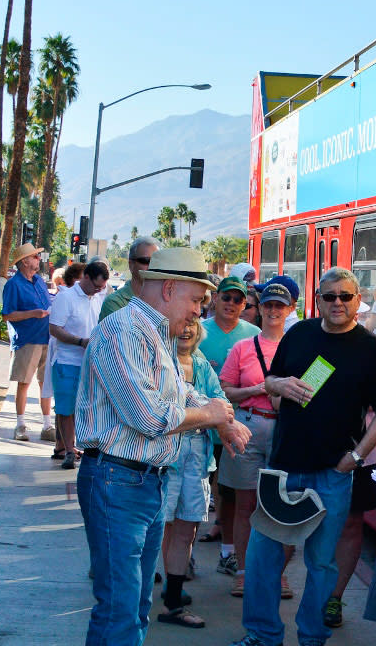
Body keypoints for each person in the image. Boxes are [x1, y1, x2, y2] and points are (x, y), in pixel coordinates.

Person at [75, 247, 247, 646]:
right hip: (117, 481)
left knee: (131, 606)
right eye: (196, 299)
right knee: (120, 607)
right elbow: (151, 417)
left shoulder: (154, 331)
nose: (199, 311)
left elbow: (180, 391)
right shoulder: (124, 331)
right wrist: (214, 416)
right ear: (168, 288)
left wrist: (218, 414)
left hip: (139, 482)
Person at [230, 268, 376, 646]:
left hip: (333, 474)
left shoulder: (372, 348)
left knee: (321, 563)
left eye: (345, 296)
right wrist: (278, 384)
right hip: (284, 467)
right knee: (263, 558)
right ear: (317, 300)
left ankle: (312, 638)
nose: (337, 302)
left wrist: (355, 457)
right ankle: (262, 635)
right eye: (329, 296)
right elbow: (271, 381)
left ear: (358, 300)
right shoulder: (299, 334)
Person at [218, 278, 296, 596]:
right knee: (245, 504)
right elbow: (224, 390)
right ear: (260, 309)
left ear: (291, 309)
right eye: (268, 305)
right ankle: (244, 570)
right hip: (249, 426)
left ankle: (277, 573)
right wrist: (256, 389)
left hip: (287, 430)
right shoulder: (243, 347)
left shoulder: (301, 344)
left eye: (280, 305)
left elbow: (313, 388)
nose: (274, 310)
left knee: (281, 505)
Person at [157, 319, 227, 629]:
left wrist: (218, 415)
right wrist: (207, 414)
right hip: (165, 457)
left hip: (198, 458)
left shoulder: (201, 364)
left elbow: (222, 402)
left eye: (192, 325)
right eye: (181, 324)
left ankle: (173, 597)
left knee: (187, 528)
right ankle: (148, 592)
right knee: (159, 526)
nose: (186, 330)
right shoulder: (158, 359)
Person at [200, 277, 263, 561]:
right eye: (227, 298)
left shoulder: (253, 334)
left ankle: (228, 552)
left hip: (239, 430)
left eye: (239, 300)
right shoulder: (198, 332)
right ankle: (185, 557)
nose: (232, 304)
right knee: (196, 494)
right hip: (201, 427)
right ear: (215, 298)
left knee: (231, 492)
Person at [47, 260, 112, 468]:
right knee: (66, 408)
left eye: (101, 288)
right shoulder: (66, 298)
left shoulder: (98, 297)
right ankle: (67, 450)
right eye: (95, 286)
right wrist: (80, 342)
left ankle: (79, 446)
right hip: (67, 361)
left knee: (85, 408)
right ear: (85, 277)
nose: (97, 291)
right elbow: (55, 329)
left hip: (90, 361)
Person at [0, 243, 55, 442]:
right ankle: (20, 425)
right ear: (25, 261)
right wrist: (33, 313)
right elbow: (7, 315)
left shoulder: (39, 281)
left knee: (45, 383)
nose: (39, 259)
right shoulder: (13, 285)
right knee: (24, 383)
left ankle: (47, 425)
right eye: (35, 257)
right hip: (27, 340)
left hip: (46, 338)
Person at [98, 236, 161, 321]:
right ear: (131, 265)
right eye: (146, 261)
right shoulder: (114, 302)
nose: (152, 266)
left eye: (156, 261)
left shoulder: (164, 300)